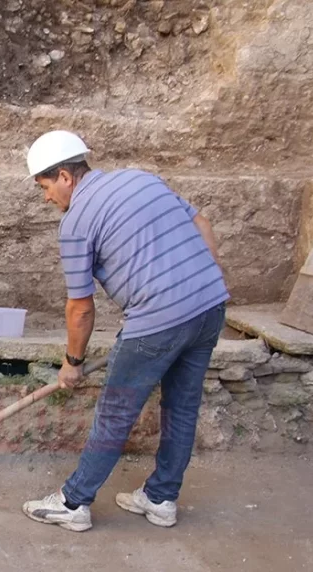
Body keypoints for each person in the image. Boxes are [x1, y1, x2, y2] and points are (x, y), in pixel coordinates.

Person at [19, 130, 229, 532]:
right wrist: (207, 276)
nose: (46, 198)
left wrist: (72, 363)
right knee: (182, 407)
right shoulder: (141, 178)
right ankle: (161, 498)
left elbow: (80, 308)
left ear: (65, 175)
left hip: (157, 320)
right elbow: (200, 220)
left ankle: (73, 503)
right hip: (210, 307)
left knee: (115, 413)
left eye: (45, 187)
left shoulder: (76, 222)